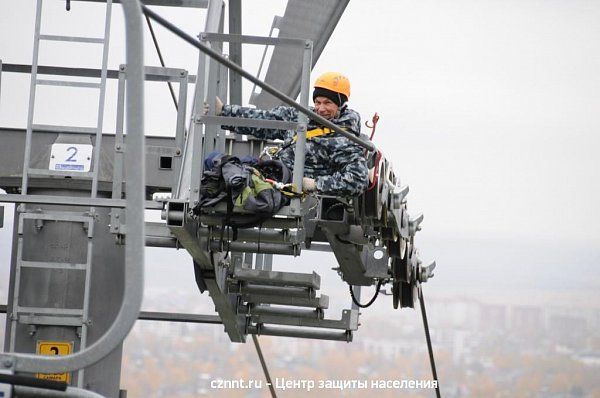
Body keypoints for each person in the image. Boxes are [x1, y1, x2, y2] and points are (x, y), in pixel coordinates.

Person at [214, 72, 369, 197]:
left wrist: (316, 184)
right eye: (317, 102)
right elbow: (264, 120)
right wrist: (223, 112)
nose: (321, 109)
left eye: (328, 103)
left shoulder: (344, 140)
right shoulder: (301, 116)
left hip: (286, 187)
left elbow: (357, 180)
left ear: (341, 105)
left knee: (227, 175)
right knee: (215, 163)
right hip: (270, 172)